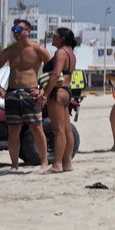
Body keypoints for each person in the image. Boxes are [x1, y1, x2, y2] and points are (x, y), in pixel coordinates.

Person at [0, 18, 51, 169]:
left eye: (19, 30)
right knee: (13, 131)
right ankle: (14, 165)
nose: (16, 33)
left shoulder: (37, 49)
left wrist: (43, 90)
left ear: (28, 32)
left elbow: (53, 69)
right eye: (14, 30)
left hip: (30, 93)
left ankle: (44, 161)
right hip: (12, 94)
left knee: (36, 128)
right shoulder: (9, 51)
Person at [41, 27, 79, 172]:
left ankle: (57, 164)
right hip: (67, 91)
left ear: (62, 38)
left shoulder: (61, 52)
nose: (53, 37)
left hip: (58, 92)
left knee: (58, 130)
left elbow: (56, 74)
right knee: (67, 129)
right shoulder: (71, 53)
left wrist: (45, 95)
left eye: (55, 35)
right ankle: (67, 163)